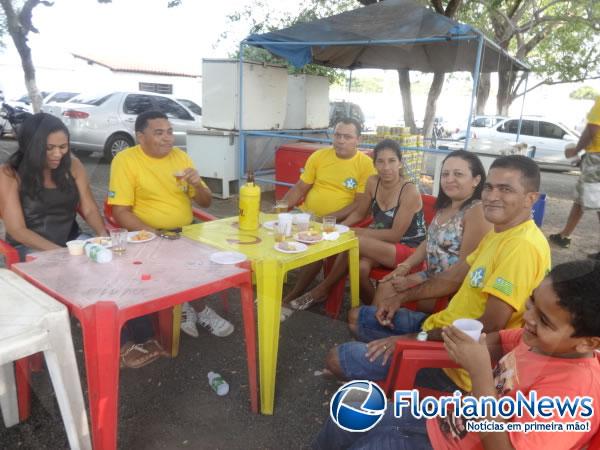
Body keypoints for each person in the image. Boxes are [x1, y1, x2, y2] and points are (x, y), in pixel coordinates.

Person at [313, 260, 600, 450]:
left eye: (545, 321)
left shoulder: (576, 393)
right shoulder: (540, 343)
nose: (527, 319)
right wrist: (459, 342)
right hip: (441, 420)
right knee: (347, 415)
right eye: (531, 303)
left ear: (588, 343)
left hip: (448, 442)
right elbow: (500, 339)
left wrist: (478, 373)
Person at [326, 155, 551, 394]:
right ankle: (384, 368)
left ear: (530, 198)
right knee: (356, 317)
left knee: (336, 359)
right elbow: (454, 277)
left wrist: (414, 339)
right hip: (440, 326)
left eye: (505, 189)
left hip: (454, 362)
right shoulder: (499, 233)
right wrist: (400, 298)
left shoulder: (521, 247)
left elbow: (490, 325)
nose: (493, 196)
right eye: (490, 187)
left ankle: (400, 385)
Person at [108, 110, 234, 342]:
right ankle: (195, 307)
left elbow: (206, 202)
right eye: (159, 133)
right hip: (147, 236)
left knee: (225, 259)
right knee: (183, 265)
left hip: (186, 231)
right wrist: (155, 234)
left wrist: (197, 185)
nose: (168, 138)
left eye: (169, 132)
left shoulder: (180, 158)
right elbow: (120, 212)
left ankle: (186, 304)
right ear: (140, 137)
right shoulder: (126, 161)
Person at [288, 139, 428, 310]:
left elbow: (395, 235)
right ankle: (375, 310)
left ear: (400, 163)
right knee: (360, 268)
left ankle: (321, 289)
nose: (386, 167)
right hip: (380, 244)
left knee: (354, 241)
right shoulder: (372, 182)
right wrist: (338, 229)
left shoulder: (409, 190)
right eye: (380, 161)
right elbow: (359, 214)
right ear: (374, 164)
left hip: (410, 251)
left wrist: (352, 231)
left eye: (392, 161)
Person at [280, 117, 377, 308]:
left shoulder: (365, 165)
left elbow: (359, 205)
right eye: (337, 135)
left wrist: (328, 219)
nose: (341, 140)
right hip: (306, 215)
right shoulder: (319, 156)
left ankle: (291, 297)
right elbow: (300, 188)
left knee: (316, 243)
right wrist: (280, 208)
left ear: (358, 139)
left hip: (336, 221)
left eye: (347, 137)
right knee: (274, 232)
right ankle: (272, 284)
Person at [0, 112, 107, 260]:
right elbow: (17, 230)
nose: (57, 154)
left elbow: (89, 209)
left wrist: (104, 235)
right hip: (29, 246)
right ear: (30, 146)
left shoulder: (73, 165)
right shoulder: (9, 173)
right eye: (49, 148)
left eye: (63, 147)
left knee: (105, 260)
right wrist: (61, 253)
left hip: (71, 240)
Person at [549, 96, 600, 258]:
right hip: (593, 156)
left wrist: (576, 150)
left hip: (597, 157)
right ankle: (564, 236)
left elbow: (592, 129)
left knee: (597, 202)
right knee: (580, 200)